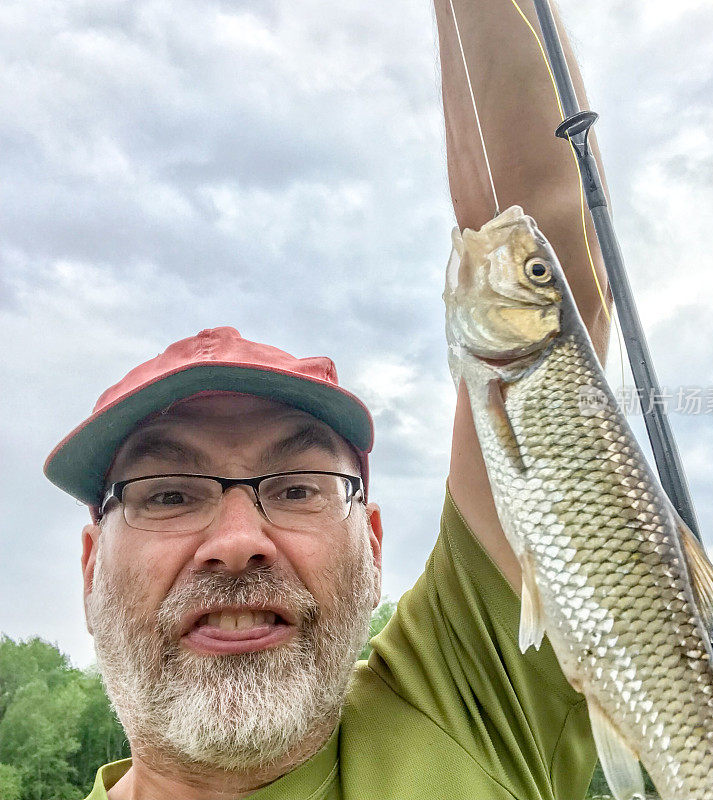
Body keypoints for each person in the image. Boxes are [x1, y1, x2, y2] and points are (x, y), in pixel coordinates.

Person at [44, 2, 611, 798]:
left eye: (299, 489)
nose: (237, 542)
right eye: (168, 494)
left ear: (373, 546)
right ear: (90, 565)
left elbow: (537, 262)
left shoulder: (467, 704)